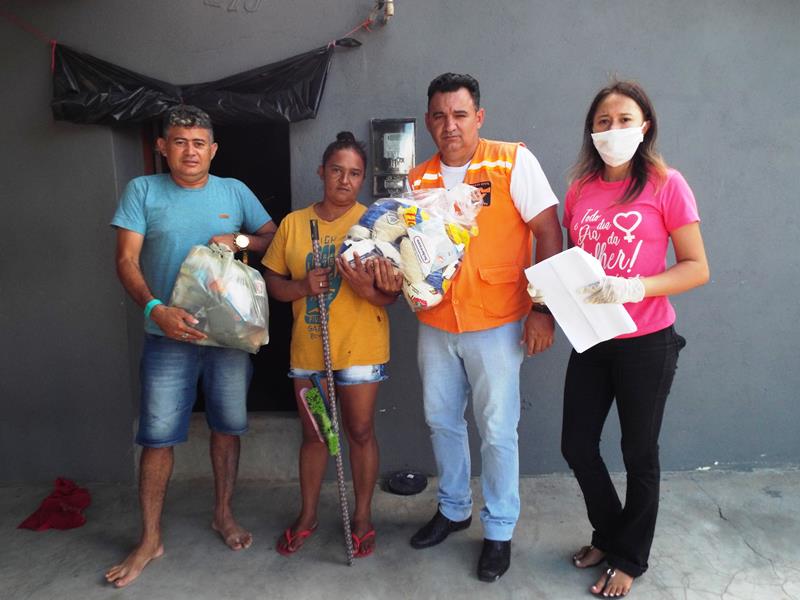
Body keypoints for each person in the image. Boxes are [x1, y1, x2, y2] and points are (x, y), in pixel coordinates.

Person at [106, 105, 277, 588]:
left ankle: (223, 514)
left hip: (227, 339)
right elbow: (125, 259)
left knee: (227, 428)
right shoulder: (143, 191)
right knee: (157, 439)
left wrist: (239, 236)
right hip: (167, 336)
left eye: (198, 143)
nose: (189, 151)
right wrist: (154, 309)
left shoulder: (233, 191)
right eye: (179, 141)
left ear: (213, 149)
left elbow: (271, 236)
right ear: (162, 146)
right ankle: (150, 538)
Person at [407, 73, 563, 582]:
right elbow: (411, 250)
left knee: (498, 429)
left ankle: (499, 529)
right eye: (439, 116)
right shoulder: (419, 178)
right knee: (440, 419)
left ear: (479, 116)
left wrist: (542, 309)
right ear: (429, 120)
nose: (449, 125)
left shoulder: (512, 160)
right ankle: (454, 509)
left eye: (459, 114)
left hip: (497, 321)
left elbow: (547, 231)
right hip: (435, 323)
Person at [559, 80, 709, 597]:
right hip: (593, 340)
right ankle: (609, 532)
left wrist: (636, 285)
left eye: (625, 120)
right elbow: (576, 264)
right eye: (603, 121)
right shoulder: (579, 189)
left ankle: (629, 557)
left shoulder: (667, 184)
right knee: (576, 444)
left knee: (639, 452)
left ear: (644, 127)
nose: (613, 129)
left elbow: (697, 268)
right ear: (591, 131)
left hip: (647, 341)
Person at [262, 131, 402, 559]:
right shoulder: (293, 224)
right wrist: (303, 285)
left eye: (354, 173)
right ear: (322, 172)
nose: (344, 180)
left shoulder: (377, 224)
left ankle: (361, 515)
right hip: (309, 352)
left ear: (363, 179)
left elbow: (390, 296)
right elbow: (273, 283)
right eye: (337, 170)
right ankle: (307, 515)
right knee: (315, 435)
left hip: (359, 349)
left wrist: (364, 286)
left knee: (359, 432)